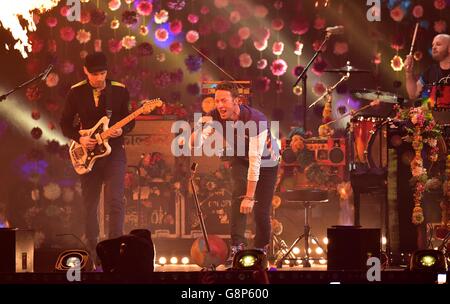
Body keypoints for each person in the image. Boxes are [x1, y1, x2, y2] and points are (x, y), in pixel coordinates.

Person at [190, 82, 280, 265]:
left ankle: (261, 250)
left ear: (236, 101)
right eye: (217, 101)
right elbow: (196, 143)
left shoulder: (256, 120)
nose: (220, 105)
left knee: (260, 210)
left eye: (224, 100)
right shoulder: (215, 116)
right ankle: (237, 247)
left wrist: (250, 196)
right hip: (240, 156)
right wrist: (199, 129)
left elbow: (255, 161)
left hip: (267, 161)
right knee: (238, 195)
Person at [60, 52, 135, 254]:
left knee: (116, 201)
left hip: (114, 152)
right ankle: (93, 249)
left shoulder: (119, 90)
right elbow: (65, 124)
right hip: (88, 153)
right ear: (85, 71)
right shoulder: (75, 92)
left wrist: (123, 130)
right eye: (94, 74)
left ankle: (115, 247)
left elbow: (131, 120)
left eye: (102, 73)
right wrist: (80, 138)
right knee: (89, 204)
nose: (99, 78)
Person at [405, 34, 450, 100]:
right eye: (433, 45)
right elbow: (413, 94)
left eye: (438, 44)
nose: (434, 47)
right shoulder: (431, 70)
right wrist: (408, 73)